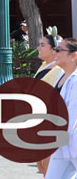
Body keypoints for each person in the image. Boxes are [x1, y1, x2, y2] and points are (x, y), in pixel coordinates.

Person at [46, 38, 77, 178]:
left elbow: (72, 115)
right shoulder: (61, 75)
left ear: (74, 55)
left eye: (59, 50)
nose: (55, 53)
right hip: (62, 143)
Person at [34, 34, 64, 177]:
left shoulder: (60, 71)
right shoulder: (45, 67)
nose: (38, 48)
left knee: (48, 167)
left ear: (54, 50)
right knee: (41, 166)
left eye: (43, 45)